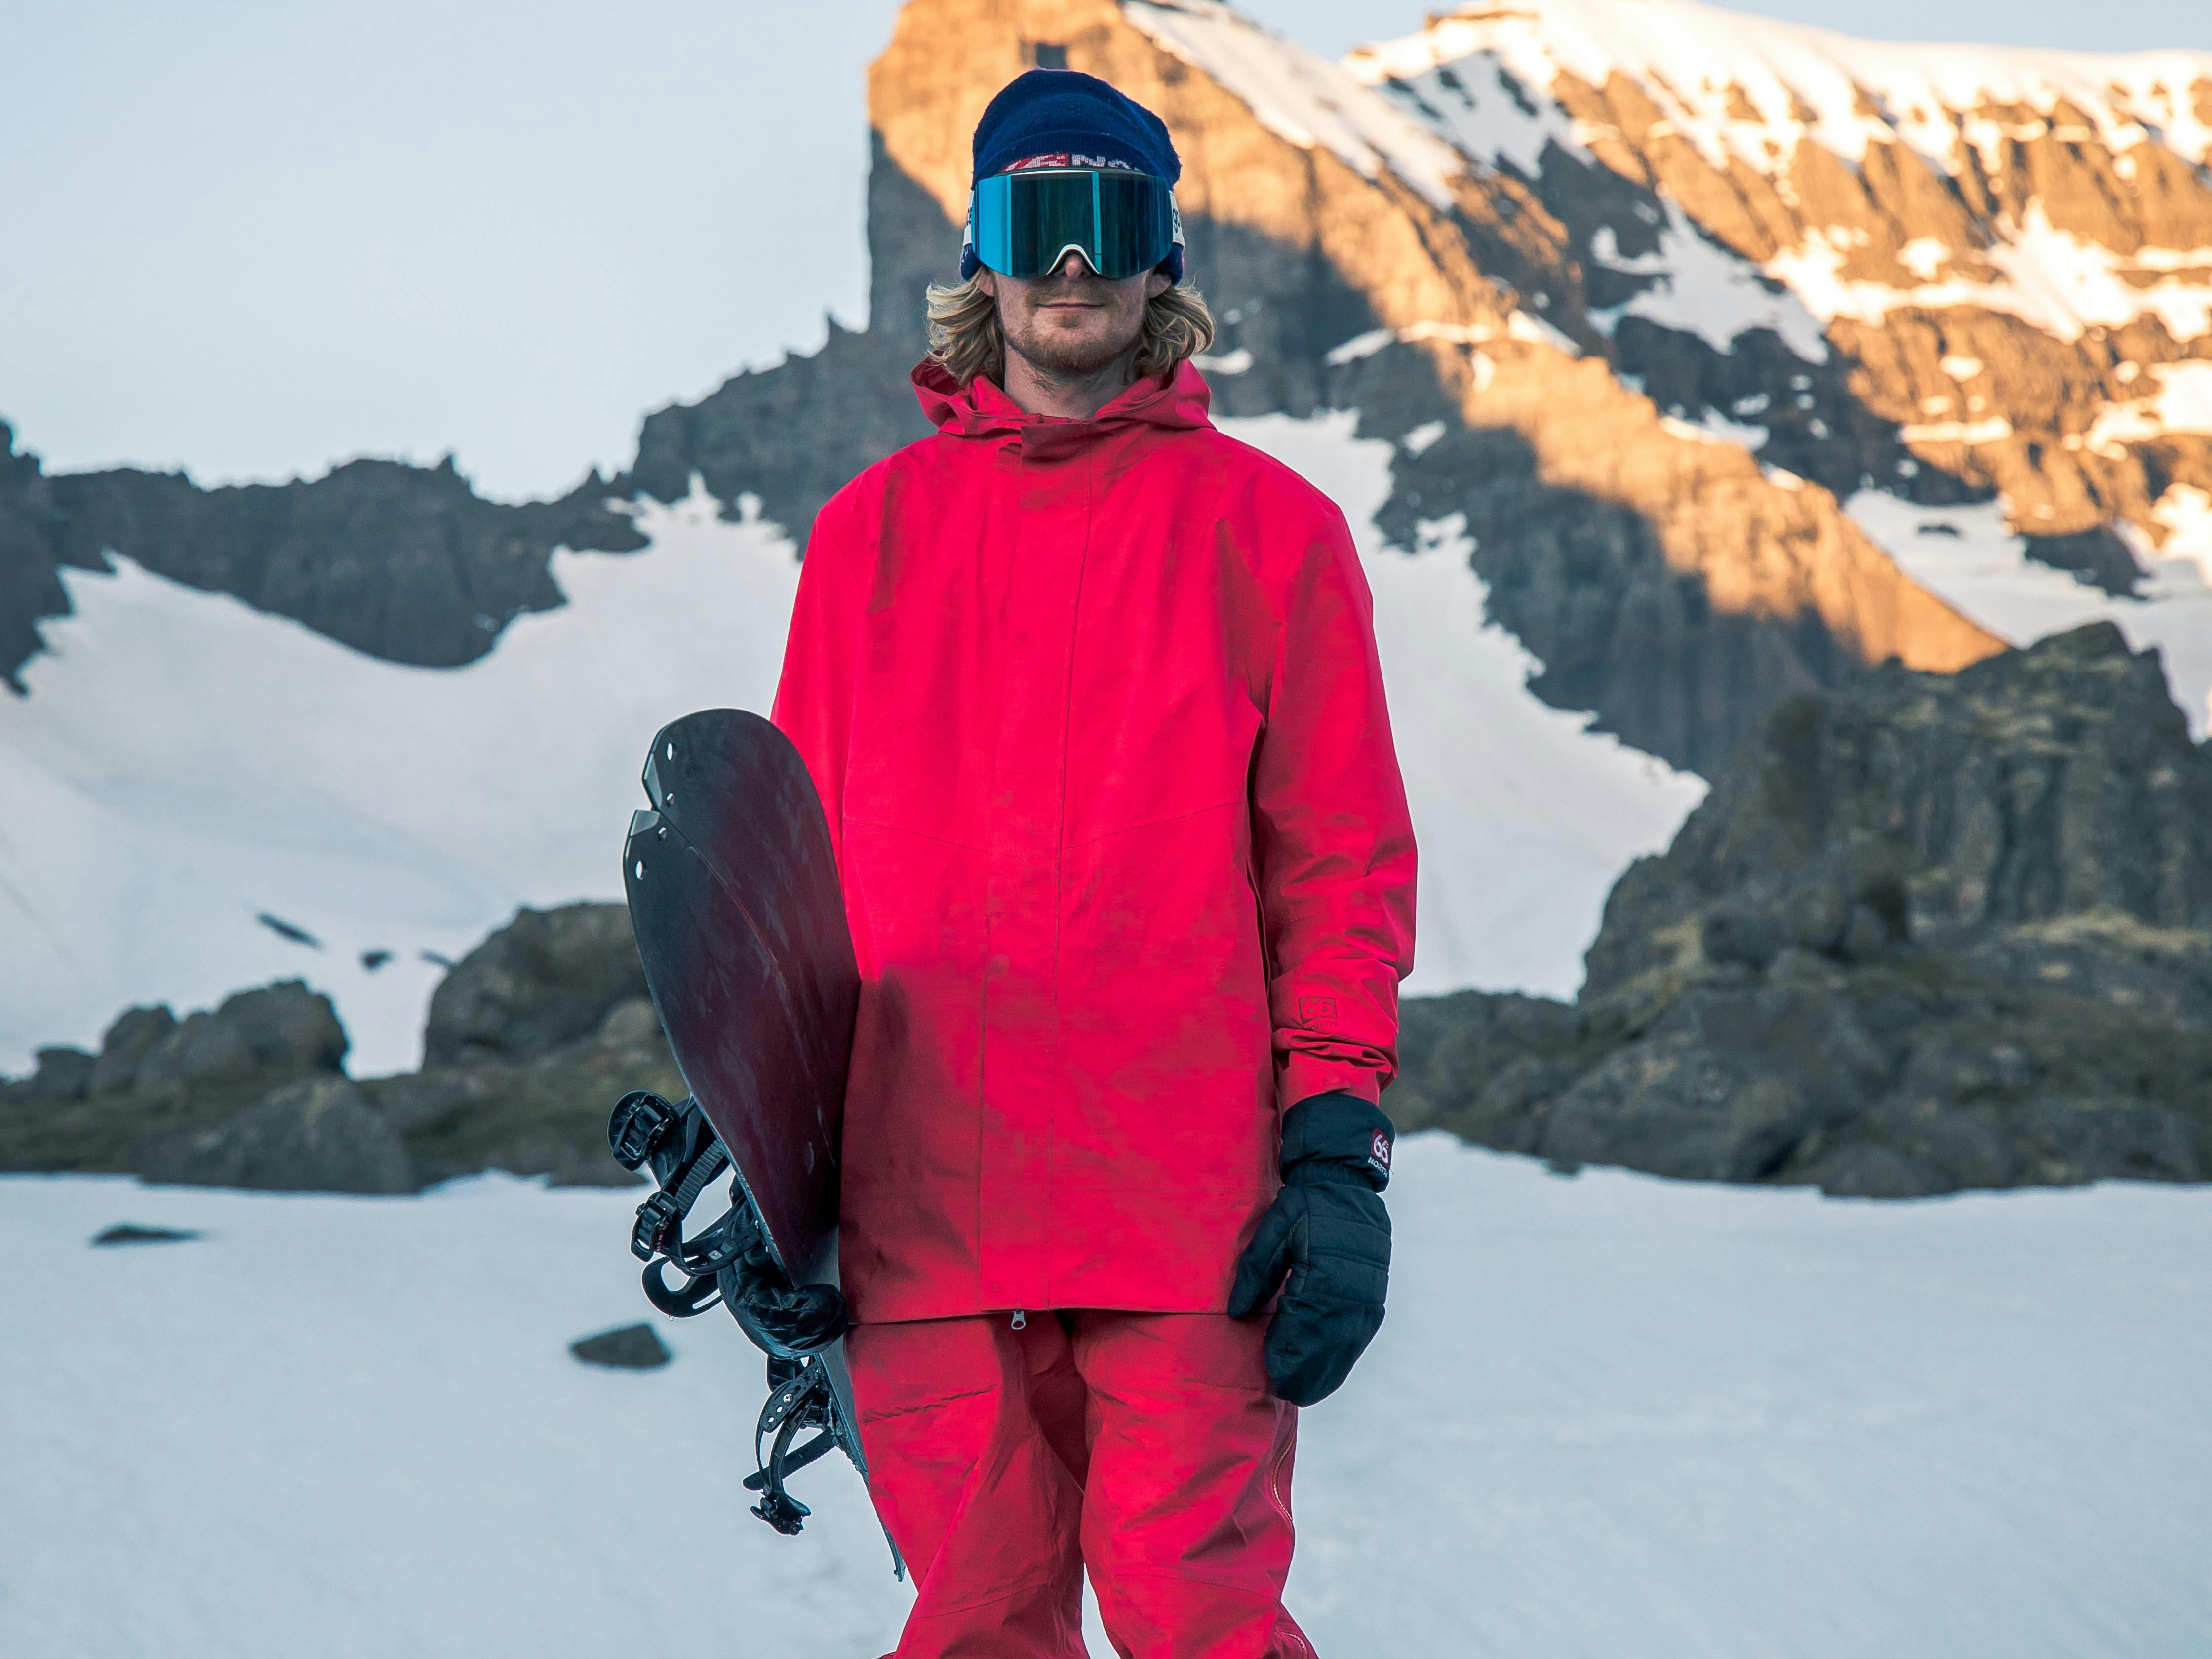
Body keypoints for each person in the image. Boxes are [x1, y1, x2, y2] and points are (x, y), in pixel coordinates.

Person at [770, 67, 1417, 1659]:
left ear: (1163, 263)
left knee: (1202, 1623)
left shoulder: (1272, 533)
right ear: (980, 258)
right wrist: (774, 1179)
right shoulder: (865, 539)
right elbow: (796, 901)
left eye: (1110, 223)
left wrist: (1336, 1153)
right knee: (976, 1630)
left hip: (1185, 1223)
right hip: (925, 1221)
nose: (1073, 263)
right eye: (1037, 220)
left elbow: (1338, 872)